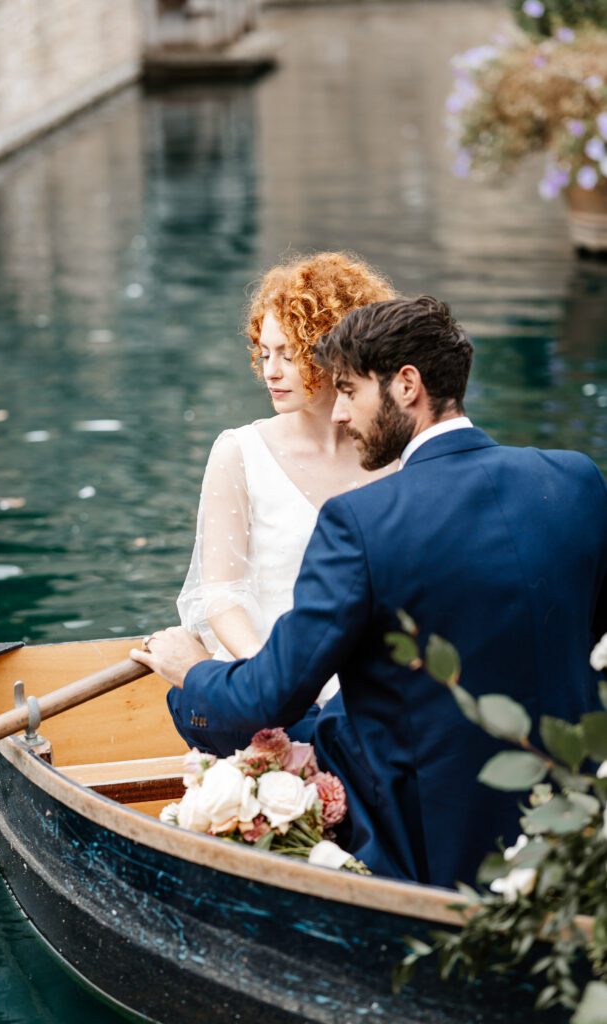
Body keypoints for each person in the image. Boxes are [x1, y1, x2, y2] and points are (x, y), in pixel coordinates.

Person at [131, 295, 607, 889]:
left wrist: (191, 671)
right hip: (569, 808)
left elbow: (265, 701)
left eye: (350, 391)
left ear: (407, 385)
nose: (338, 414)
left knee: (210, 713)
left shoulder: (359, 520)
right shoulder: (576, 480)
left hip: (427, 835)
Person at [173, 252, 396, 748]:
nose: (270, 371)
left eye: (288, 355)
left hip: (370, 684)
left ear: (339, 355)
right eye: (264, 352)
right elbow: (223, 595)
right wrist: (273, 677)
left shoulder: (392, 457)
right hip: (268, 681)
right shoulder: (239, 452)